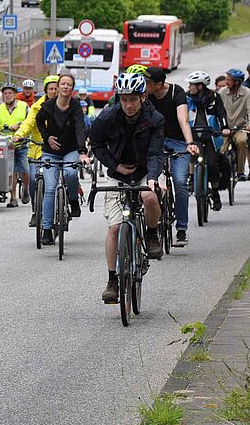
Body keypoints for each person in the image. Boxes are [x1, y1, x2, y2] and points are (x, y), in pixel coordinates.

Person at [89, 73, 164, 303]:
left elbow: (156, 153)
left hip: (144, 170)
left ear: (143, 97)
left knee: (150, 197)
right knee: (114, 228)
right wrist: (116, 166)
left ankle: (151, 234)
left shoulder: (155, 119)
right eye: (123, 100)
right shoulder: (107, 117)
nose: (128, 105)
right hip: (118, 173)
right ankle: (112, 280)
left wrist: (152, 178)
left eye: (132, 99)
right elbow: (96, 144)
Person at [144, 66, 197, 247]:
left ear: (159, 84)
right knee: (150, 182)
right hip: (155, 142)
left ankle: (181, 228)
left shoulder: (176, 92)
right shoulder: (145, 95)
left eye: (148, 82)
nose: (145, 85)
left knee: (180, 182)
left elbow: (183, 120)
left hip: (178, 142)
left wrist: (189, 143)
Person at [35, 74, 91, 245]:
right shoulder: (47, 106)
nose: (65, 87)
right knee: (50, 188)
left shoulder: (75, 106)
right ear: (58, 87)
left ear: (72, 89)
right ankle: (46, 229)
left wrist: (82, 152)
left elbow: (80, 128)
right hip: (50, 152)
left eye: (69, 85)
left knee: (71, 175)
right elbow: (39, 122)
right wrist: (47, 137)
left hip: (70, 150)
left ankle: (73, 200)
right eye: (63, 84)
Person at [14, 74, 59, 227]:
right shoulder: (36, 107)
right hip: (37, 149)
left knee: (58, 180)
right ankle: (36, 211)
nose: (53, 91)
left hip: (56, 149)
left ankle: (62, 204)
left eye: (56, 88)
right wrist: (19, 135)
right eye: (50, 89)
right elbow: (28, 123)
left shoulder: (64, 106)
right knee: (34, 180)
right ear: (46, 90)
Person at [186, 71, 227, 210]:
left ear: (200, 86)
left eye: (192, 85)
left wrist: (224, 127)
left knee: (212, 164)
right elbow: (181, 116)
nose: (189, 87)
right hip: (193, 135)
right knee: (192, 155)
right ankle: (192, 178)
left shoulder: (214, 97)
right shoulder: (186, 98)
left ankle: (215, 193)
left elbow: (221, 113)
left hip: (211, 136)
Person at [219, 68, 250, 182]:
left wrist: (249, 125)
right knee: (221, 148)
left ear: (236, 82)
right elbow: (217, 110)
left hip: (240, 127)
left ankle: (240, 171)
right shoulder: (222, 92)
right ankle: (221, 172)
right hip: (225, 128)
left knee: (242, 141)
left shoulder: (247, 93)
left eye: (229, 80)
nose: (226, 82)